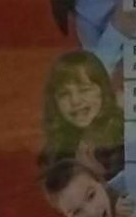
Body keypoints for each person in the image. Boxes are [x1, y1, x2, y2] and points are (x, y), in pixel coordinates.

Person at [41, 50, 125, 182]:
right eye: (64, 94)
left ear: (103, 91)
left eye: (84, 90)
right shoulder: (58, 149)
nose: (75, 101)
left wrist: (96, 175)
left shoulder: (123, 139)